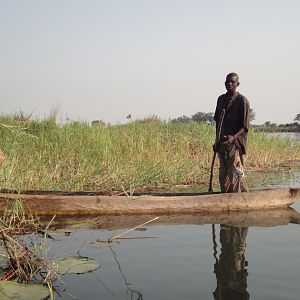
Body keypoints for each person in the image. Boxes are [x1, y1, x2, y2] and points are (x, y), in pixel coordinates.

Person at [213, 73, 250, 193]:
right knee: (223, 176)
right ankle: (225, 199)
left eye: (232, 82)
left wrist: (233, 137)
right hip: (223, 143)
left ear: (237, 84)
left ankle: (238, 198)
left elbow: (245, 127)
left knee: (235, 175)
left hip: (236, 144)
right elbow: (218, 123)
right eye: (227, 82)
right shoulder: (221, 99)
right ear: (224, 83)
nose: (230, 84)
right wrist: (217, 141)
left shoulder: (242, 101)